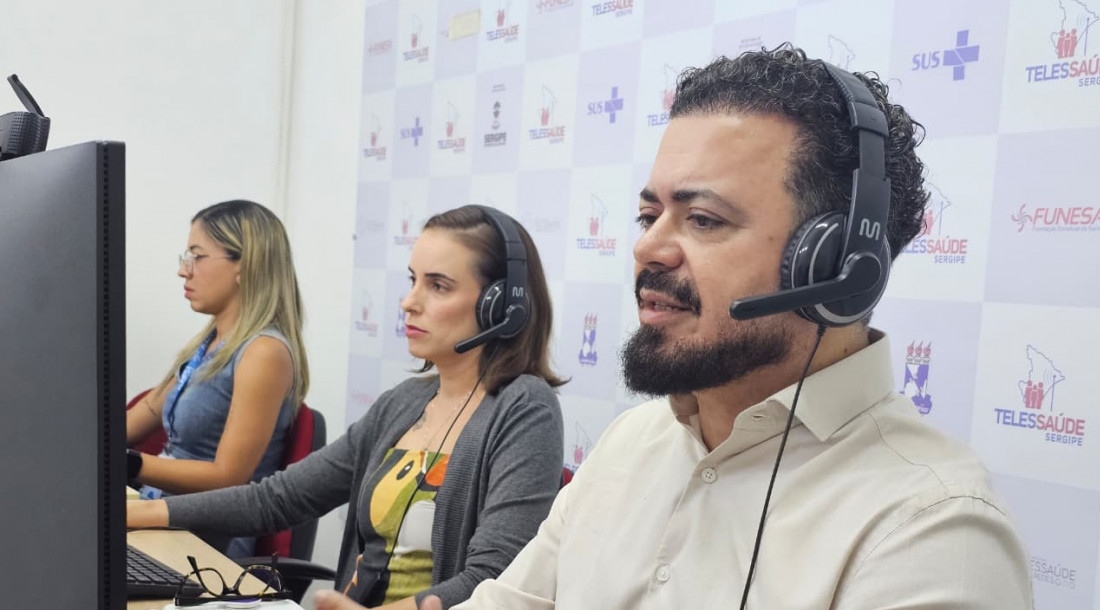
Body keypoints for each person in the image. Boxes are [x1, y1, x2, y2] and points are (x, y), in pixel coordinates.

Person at [438, 46, 1028, 608]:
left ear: (836, 265)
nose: (648, 248)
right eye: (648, 215)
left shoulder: (933, 526)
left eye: (702, 219)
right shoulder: (631, 441)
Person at [128, 205, 567, 610]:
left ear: (500, 307)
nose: (409, 302)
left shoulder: (525, 409)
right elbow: (277, 499)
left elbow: (494, 578)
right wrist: (142, 513)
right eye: (412, 280)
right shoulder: (404, 402)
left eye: (437, 286)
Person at [126, 199, 309, 558]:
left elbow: (228, 477)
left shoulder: (264, 352)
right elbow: (148, 409)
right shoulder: (209, 343)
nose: (183, 271)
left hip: (209, 539)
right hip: (162, 514)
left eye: (196, 257)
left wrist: (131, 463)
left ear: (245, 264)